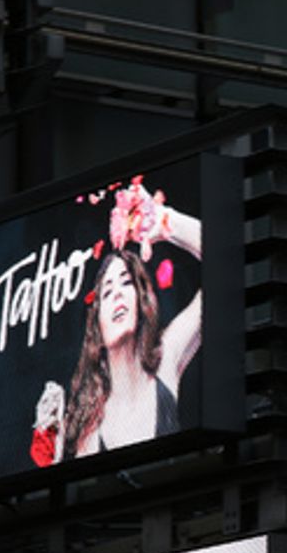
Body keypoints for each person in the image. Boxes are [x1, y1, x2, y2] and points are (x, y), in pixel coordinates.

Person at [59, 179, 203, 459]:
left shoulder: (165, 361)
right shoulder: (88, 429)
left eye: (125, 282)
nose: (117, 296)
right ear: (95, 324)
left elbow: (224, 259)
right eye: (107, 290)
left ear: (141, 301)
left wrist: (164, 222)